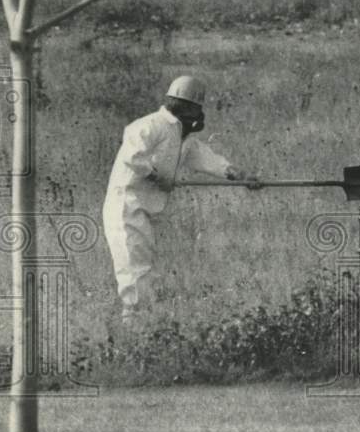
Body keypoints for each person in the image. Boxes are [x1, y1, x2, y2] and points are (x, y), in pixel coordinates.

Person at [103, 76, 261, 323]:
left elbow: (204, 157)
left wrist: (235, 173)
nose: (197, 114)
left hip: (150, 206)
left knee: (148, 265)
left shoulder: (183, 136)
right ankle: (133, 325)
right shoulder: (150, 125)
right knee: (134, 265)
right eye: (194, 108)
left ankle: (146, 322)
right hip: (127, 203)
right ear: (181, 106)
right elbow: (132, 157)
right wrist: (157, 177)